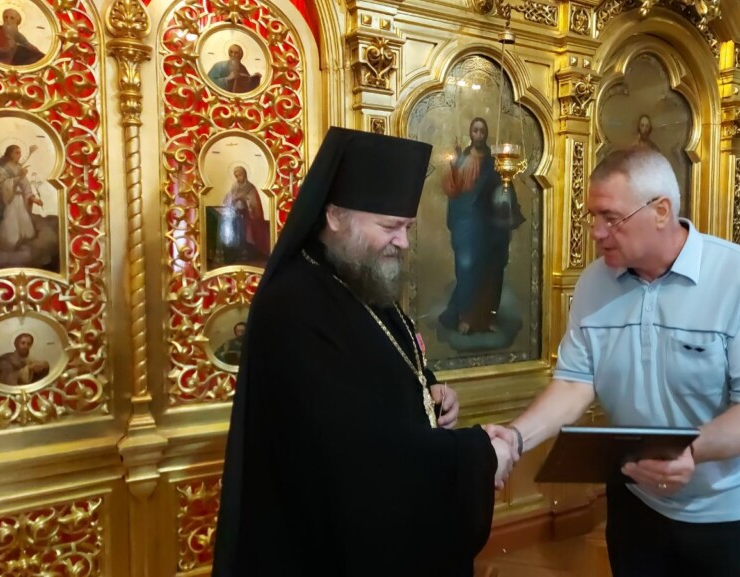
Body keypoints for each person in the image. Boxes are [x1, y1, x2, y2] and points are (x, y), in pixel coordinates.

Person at [211, 127, 516, 577]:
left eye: (408, 227)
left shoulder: (359, 278)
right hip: (324, 545)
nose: (403, 242)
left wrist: (430, 392)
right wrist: (477, 454)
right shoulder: (293, 304)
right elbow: (355, 449)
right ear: (335, 217)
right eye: (390, 227)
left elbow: (388, 364)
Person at [486, 147, 740, 577]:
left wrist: (689, 452)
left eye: (611, 218)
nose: (596, 232)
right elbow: (574, 383)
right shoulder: (594, 282)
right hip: (636, 498)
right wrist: (515, 439)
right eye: (592, 217)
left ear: (661, 211)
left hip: (730, 511)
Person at [439, 116, 524, 334]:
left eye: (482, 131)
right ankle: (465, 317)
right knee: (467, 268)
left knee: (492, 269)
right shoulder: (462, 159)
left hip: (491, 226)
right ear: (471, 133)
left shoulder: (495, 163)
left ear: (486, 134)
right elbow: (454, 193)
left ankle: (488, 317)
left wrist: (507, 216)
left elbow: (506, 189)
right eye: (475, 130)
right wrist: (455, 168)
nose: (479, 134)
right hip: (468, 225)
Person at [218, 166, 269, 263]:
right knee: (234, 229)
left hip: (249, 215)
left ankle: (249, 253)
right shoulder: (234, 186)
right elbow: (228, 199)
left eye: (240, 175)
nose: (238, 178)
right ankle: (235, 253)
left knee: (247, 230)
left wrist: (244, 199)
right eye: (236, 176)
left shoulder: (250, 187)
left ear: (245, 174)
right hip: (236, 214)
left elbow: (254, 204)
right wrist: (232, 200)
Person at [0, 144, 42, 250]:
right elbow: (1, 185)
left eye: (20, 153)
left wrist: (33, 198)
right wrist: (19, 177)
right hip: (8, 201)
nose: (20, 155)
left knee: (24, 223)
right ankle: (8, 245)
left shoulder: (19, 168)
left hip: (19, 201)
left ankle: (22, 245)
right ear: (10, 154)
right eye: (17, 153)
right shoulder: (1, 169)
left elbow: (25, 186)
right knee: (10, 222)